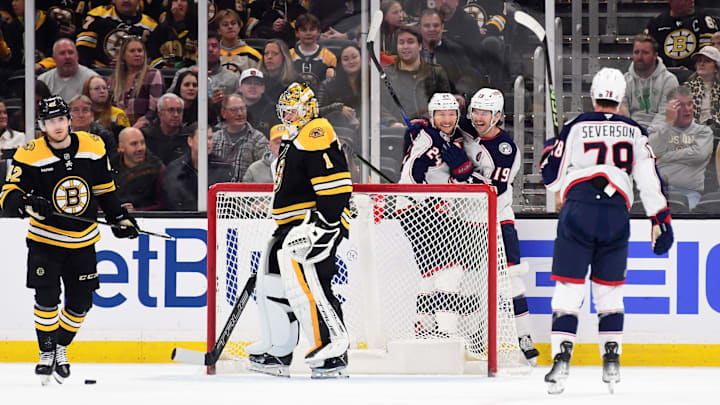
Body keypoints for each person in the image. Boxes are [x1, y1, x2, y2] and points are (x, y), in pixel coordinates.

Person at [540, 68, 674, 394]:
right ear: (621, 97)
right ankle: (611, 358)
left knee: (569, 289)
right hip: (616, 213)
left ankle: (562, 358)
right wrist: (661, 220)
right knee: (610, 291)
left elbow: (553, 180)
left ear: (593, 94)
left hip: (578, 209)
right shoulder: (634, 131)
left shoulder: (575, 126)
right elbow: (649, 180)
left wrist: (549, 152)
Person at [0, 96, 138, 385]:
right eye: (51, 121)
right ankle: (46, 352)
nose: (57, 125)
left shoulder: (92, 146)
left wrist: (119, 217)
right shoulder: (29, 154)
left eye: (61, 119)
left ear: (69, 120)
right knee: (46, 298)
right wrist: (26, 203)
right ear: (42, 125)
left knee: (81, 303)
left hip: (82, 241)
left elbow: (105, 189)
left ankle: (61, 345)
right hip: (45, 240)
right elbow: (7, 195)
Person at [246, 82, 352, 379]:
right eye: (285, 111)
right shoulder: (296, 139)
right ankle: (277, 349)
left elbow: (336, 185)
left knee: (311, 289)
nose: (288, 116)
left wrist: (326, 223)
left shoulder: (316, 132)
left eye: (294, 111)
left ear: (308, 109)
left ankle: (332, 350)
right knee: (273, 286)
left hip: (312, 223)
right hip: (289, 226)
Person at [458, 88, 540, 365]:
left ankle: (524, 337)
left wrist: (464, 173)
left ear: (497, 116)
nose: (479, 117)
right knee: (470, 281)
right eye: (476, 111)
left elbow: (491, 189)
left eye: (485, 113)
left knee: (512, 278)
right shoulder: (464, 128)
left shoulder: (506, 150)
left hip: (498, 218)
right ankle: (474, 335)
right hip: (467, 220)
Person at [398, 93, 478, 342]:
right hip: (418, 209)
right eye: (441, 114)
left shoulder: (448, 138)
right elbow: (411, 173)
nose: (447, 118)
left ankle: (425, 325)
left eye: (451, 114)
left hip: (430, 209)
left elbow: (445, 175)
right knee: (450, 269)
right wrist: (424, 200)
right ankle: (446, 331)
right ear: (432, 116)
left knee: (432, 273)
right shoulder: (427, 138)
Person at [648, 85, 713, 210]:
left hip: (689, 193)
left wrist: (666, 157)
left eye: (689, 104)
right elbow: (651, 151)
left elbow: (699, 155)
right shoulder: (658, 129)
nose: (687, 109)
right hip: (658, 191)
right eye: (681, 105)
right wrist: (668, 124)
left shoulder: (703, 132)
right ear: (670, 108)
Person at [381, 26, 452, 127]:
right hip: (397, 132)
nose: (405, 46)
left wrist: (428, 122)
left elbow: (445, 104)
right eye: (401, 43)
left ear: (419, 46)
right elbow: (378, 105)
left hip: (430, 129)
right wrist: (392, 123)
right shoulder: (385, 74)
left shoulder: (436, 72)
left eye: (410, 42)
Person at [163, 123, 232, 210]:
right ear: (190, 141)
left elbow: (228, 205)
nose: (208, 142)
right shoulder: (175, 169)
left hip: (214, 220)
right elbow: (172, 201)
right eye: (203, 138)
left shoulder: (223, 167)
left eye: (210, 138)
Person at [418, 8, 485, 99]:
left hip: (449, 104)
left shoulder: (455, 50)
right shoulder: (410, 51)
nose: (431, 29)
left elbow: (470, 76)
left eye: (435, 25)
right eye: (427, 26)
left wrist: (461, 95)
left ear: (442, 27)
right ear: (419, 28)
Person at [644, 0, 719, 80]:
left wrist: (692, 68)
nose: (691, 1)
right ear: (671, 1)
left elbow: (708, 53)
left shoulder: (703, 20)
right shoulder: (656, 24)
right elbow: (649, 54)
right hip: (663, 75)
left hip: (695, 74)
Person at [76, 0, 159, 68]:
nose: (126, 0)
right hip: (99, 72)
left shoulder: (151, 26)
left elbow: (151, 58)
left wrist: (130, 64)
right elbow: (83, 49)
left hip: (135, 76)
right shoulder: (98, 15)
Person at [623, 33, 679, 130]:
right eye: (636, 52)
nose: (640, 57)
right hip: (631, 132)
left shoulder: (669, 80)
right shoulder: (624, 80)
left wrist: (648, 135)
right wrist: (633, 133)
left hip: (660, 132)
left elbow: (665, 115)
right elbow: (622, 113)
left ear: (655, 56)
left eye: (645, 53)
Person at [108, 37, 166, 128]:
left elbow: (155, 108)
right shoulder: (114, 79)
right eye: (132, 51)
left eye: (140, 50)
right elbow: (109, 107)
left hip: (145, 128)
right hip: (118, 127)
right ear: (123, 55)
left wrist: (139, 125)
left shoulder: (153, 75)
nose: (137, 54)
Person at [211, 94, 268, 182]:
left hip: (247, 193)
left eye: (242, 109)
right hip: (217, 192)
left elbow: (265, 173)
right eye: (234, 110)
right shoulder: (214, 138)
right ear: (223, 113)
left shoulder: (259, 140)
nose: (239, 113)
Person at [112, 127, 165, 211]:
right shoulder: (109, 166)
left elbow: (164, 205)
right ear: (121, 147)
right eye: (134, 144)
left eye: (142, 143)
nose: (140, 148)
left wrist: (136, 211)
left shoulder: (157, 168)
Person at [38, 39, 98, 103]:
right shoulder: (43, 81)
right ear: (54, 58)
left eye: (71, 52)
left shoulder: (92, 79)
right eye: (62, 53)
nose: (67, 57)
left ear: (77, 56)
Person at [319, 44, 361, 130]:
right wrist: (336, 107)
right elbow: (317, 111)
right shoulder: (328, 85)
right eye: (346, 59)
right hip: (336, 130)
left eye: (354, 57)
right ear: (340, 62)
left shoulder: (372, 80)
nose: (351, 62)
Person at [147, 0, 198, 69]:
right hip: (165, 73)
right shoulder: (160, 30)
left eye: (183, 0)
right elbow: (152, 56)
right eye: (175, 0)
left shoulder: (198, 28)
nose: (179, 3)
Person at [141, 93, 189, 165]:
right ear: (160, 114)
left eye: (179, 111)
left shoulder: (188, 137)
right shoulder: (146, 136)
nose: (176, 115)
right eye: (171, 110)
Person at [68, 95, 118, 162]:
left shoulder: (104, 136)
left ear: (92, 115)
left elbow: (112, 162)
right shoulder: (59, 136)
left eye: (85, 110)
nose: (81, 115)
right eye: (76, 110)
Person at [289, 13, 337, 82]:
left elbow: (331, 85)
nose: (308, 33)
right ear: (297, 33)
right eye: (304, 30)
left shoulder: (329, 57)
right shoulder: (288, 56)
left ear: (318, 32)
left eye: (312, 29)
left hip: (320, 92)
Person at [216, 8, 262, 74]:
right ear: (219, 31)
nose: (230, 27)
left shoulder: (253, 55)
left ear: (239, 27)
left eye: (233, 23)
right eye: (225, 24)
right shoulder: (212, 55)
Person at [238, 68, 280, 136]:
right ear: (240, 87)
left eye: (257, 83)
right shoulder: (232, 108)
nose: (253, 86)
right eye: (248, 83)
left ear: (263, 88)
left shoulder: (274, 110)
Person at [686, 45, 720, 127]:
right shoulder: (686, 88)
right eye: (699, 61)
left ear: (716, 68)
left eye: (707, 61)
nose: (701, 64)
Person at [259, 39, 300, 104]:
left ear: (284, 57)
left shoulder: (297, 82)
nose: (269, 57)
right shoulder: (258, 81)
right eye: (266, 53)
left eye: (275, 54)